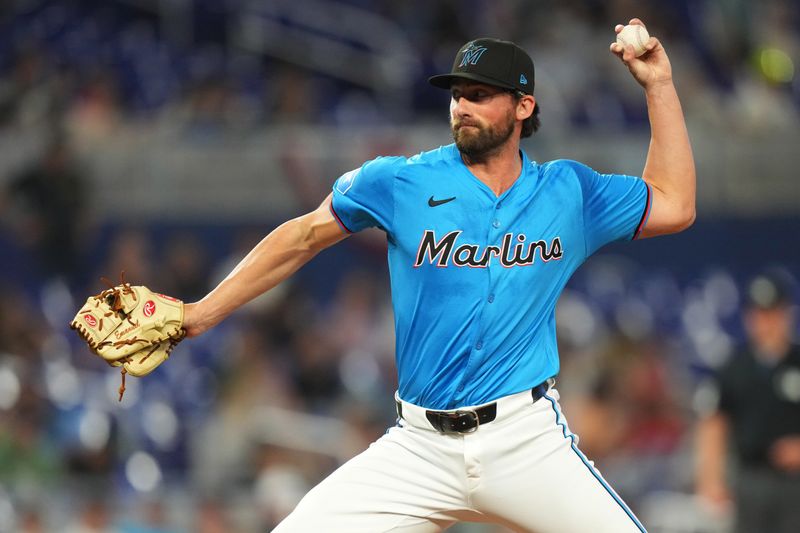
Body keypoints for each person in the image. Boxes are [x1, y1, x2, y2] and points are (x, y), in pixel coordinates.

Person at [182, 18, 695, 532]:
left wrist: (660, 88)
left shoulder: (568, 193)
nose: (462, 106)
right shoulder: (401, 181)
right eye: (457, 94)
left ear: (524, 106)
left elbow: (674, 203)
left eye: (480, 94)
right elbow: (301, 236)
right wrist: (200, 313)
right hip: (419, 447)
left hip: (524, 440)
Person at [696, 271, 800, 533]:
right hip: (751, 477)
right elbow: (714, 423)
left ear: (787, 313)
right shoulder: (735, 367)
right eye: (759, 314)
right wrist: (711, 478)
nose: (766, 323)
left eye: (773, 313)